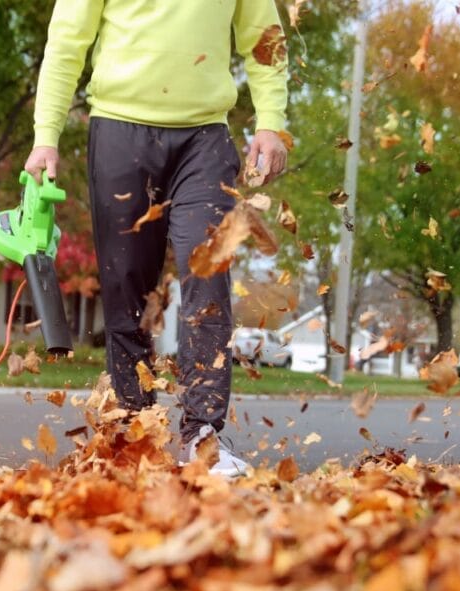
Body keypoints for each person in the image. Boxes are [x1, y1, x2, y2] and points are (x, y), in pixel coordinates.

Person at [24, 0, 289, 476]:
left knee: (208, 271)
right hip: (119, 132)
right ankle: (132, 429)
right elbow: (66, 41)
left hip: (204, 141)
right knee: (127, 285)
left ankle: (201, 435)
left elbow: (265, 39)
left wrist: (270, 122)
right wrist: (46, 136)